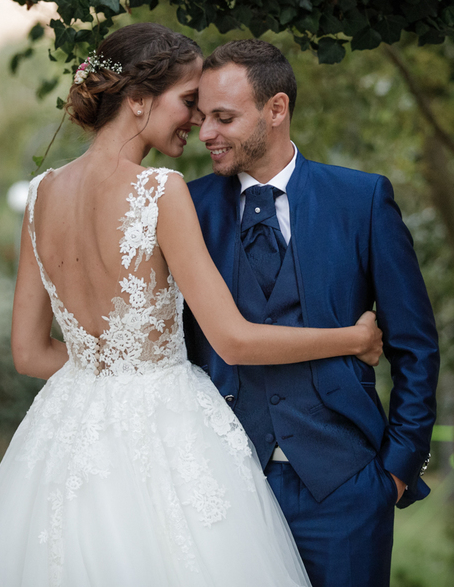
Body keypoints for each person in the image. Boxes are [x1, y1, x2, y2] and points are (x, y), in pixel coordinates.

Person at [0, 22, 384, 587]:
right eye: (189, 102)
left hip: (70, 428)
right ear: (141, 101)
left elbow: (27, 352)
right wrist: (355, 339)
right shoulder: (160, 190)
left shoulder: (40, 195)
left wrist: (105, 377)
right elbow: (234, 340)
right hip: (167, 422)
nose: (198, 121)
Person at [184, 39, 440, 587]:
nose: (205, 133)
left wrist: (395, 471)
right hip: (223, 485)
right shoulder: (186, 208)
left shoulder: (362, 199)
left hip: (346, 490)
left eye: (223, 117)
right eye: (202, 116)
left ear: (276, 110)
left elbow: (415, 346)